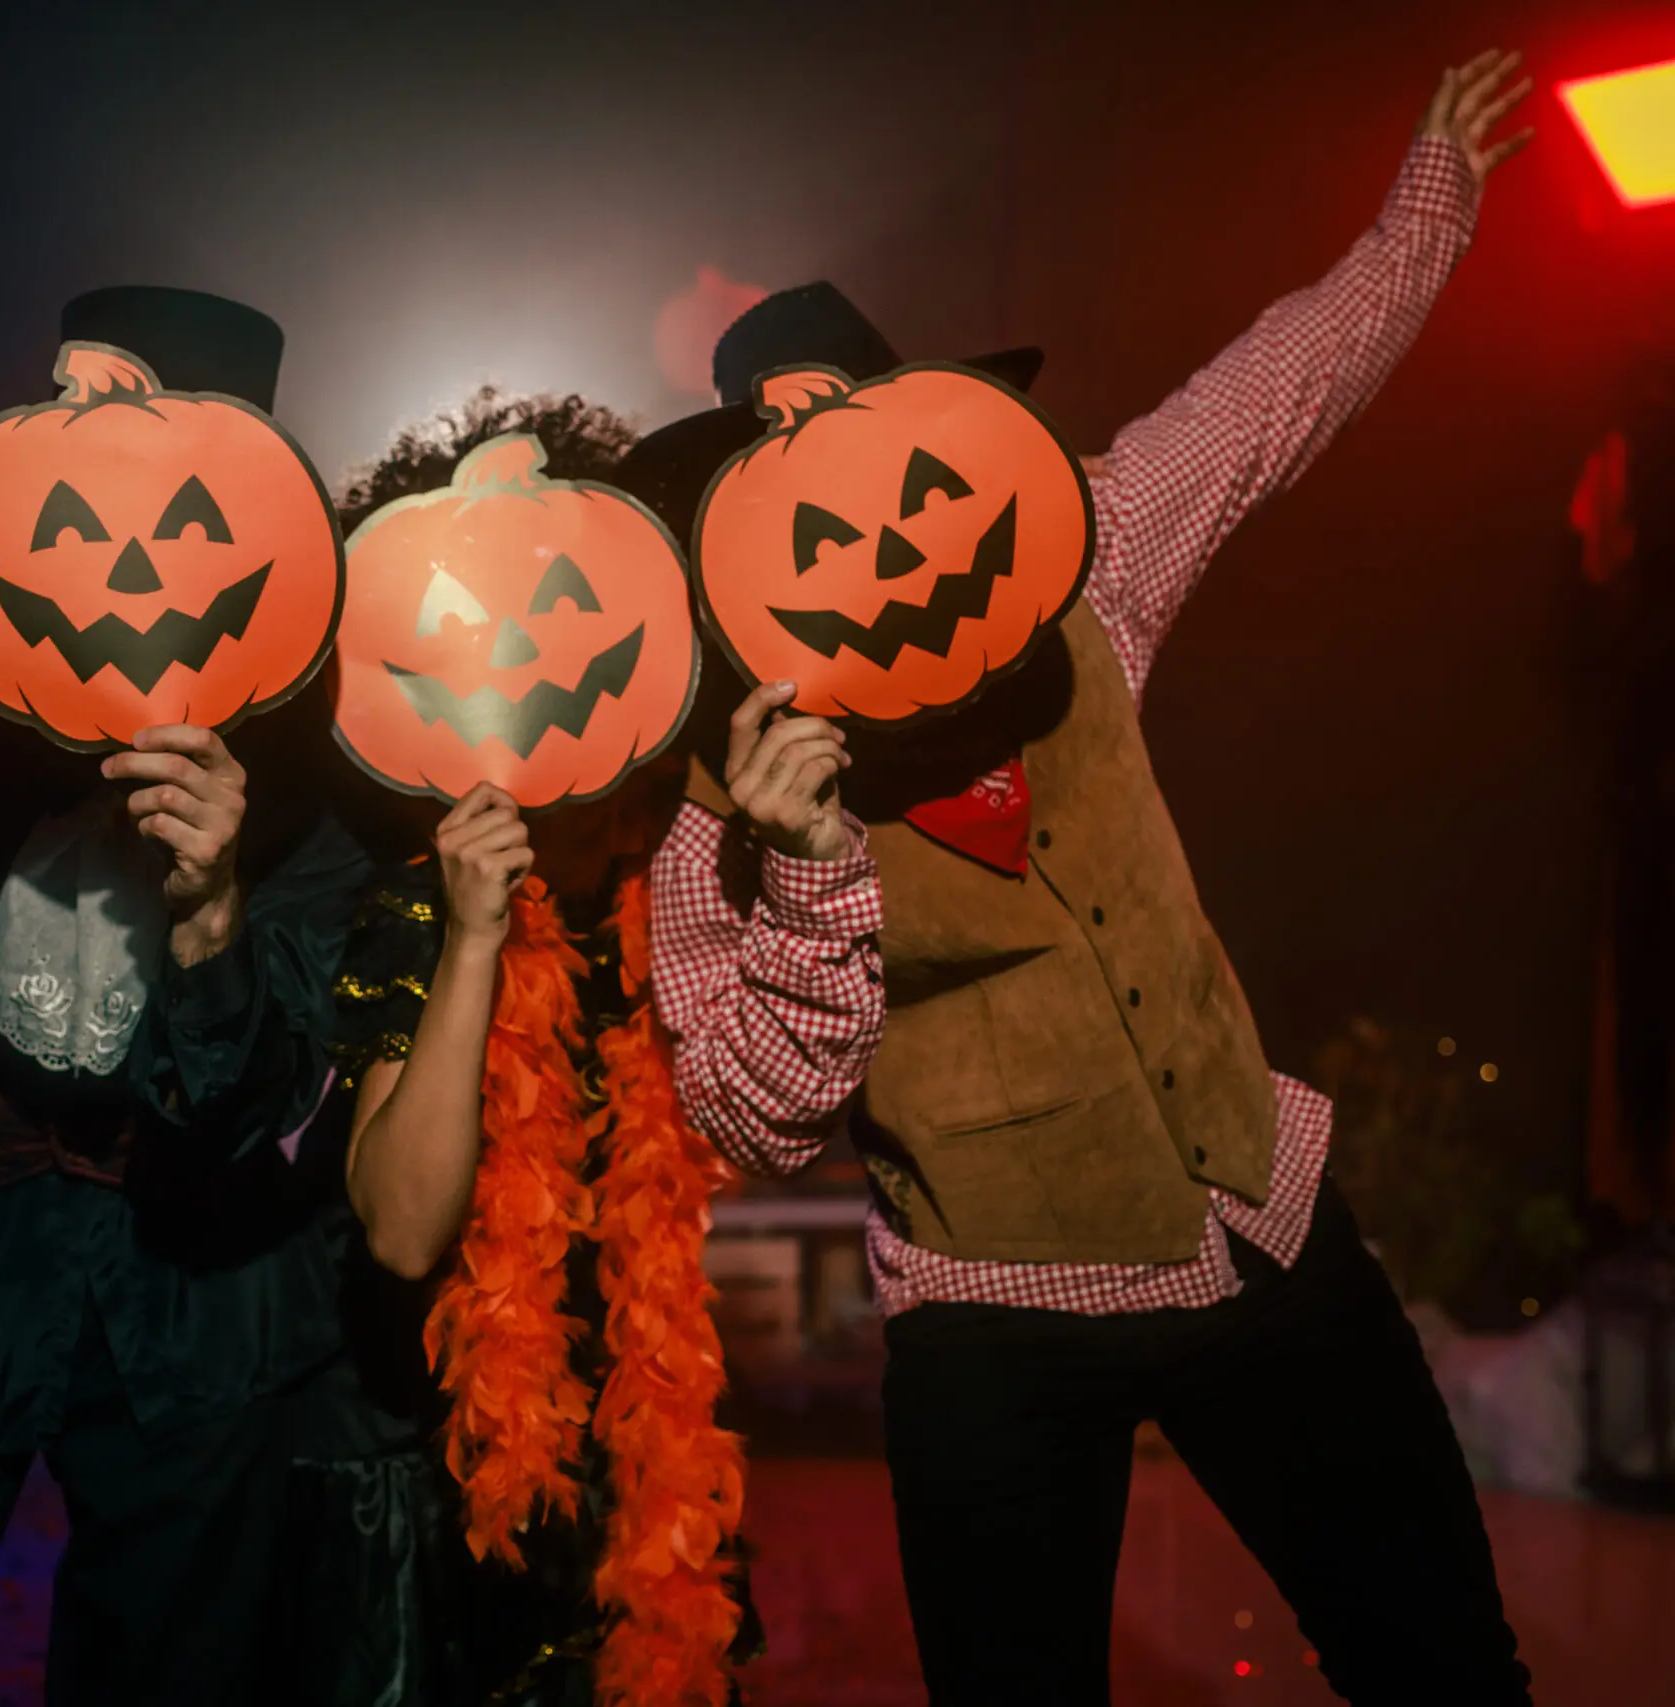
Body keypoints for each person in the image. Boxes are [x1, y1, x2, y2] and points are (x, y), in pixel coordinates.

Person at [635, 53, 1538, 1704]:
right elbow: (751, 1117)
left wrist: (1432, 197)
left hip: (1257, 1228)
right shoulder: (727, 798)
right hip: (997, 1324)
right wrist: (815, 870)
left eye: (855, 419)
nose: (845, 487)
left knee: (1447, 1665)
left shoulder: (1085, 560)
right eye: (782, 453)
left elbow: (1273, 394)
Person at [0, 286, 373, 1706]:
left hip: (196, 1306)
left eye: (118, 398)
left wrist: (212, 903)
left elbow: (257, 1102)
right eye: (58, 392)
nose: (68, 427)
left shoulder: (313, 755)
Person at [280, 393, 783, 1707]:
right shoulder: (414, 902)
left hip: (641, 1490)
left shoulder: (670, 883)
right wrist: (470, 937)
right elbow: (400, 1226)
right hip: (446, 1498)